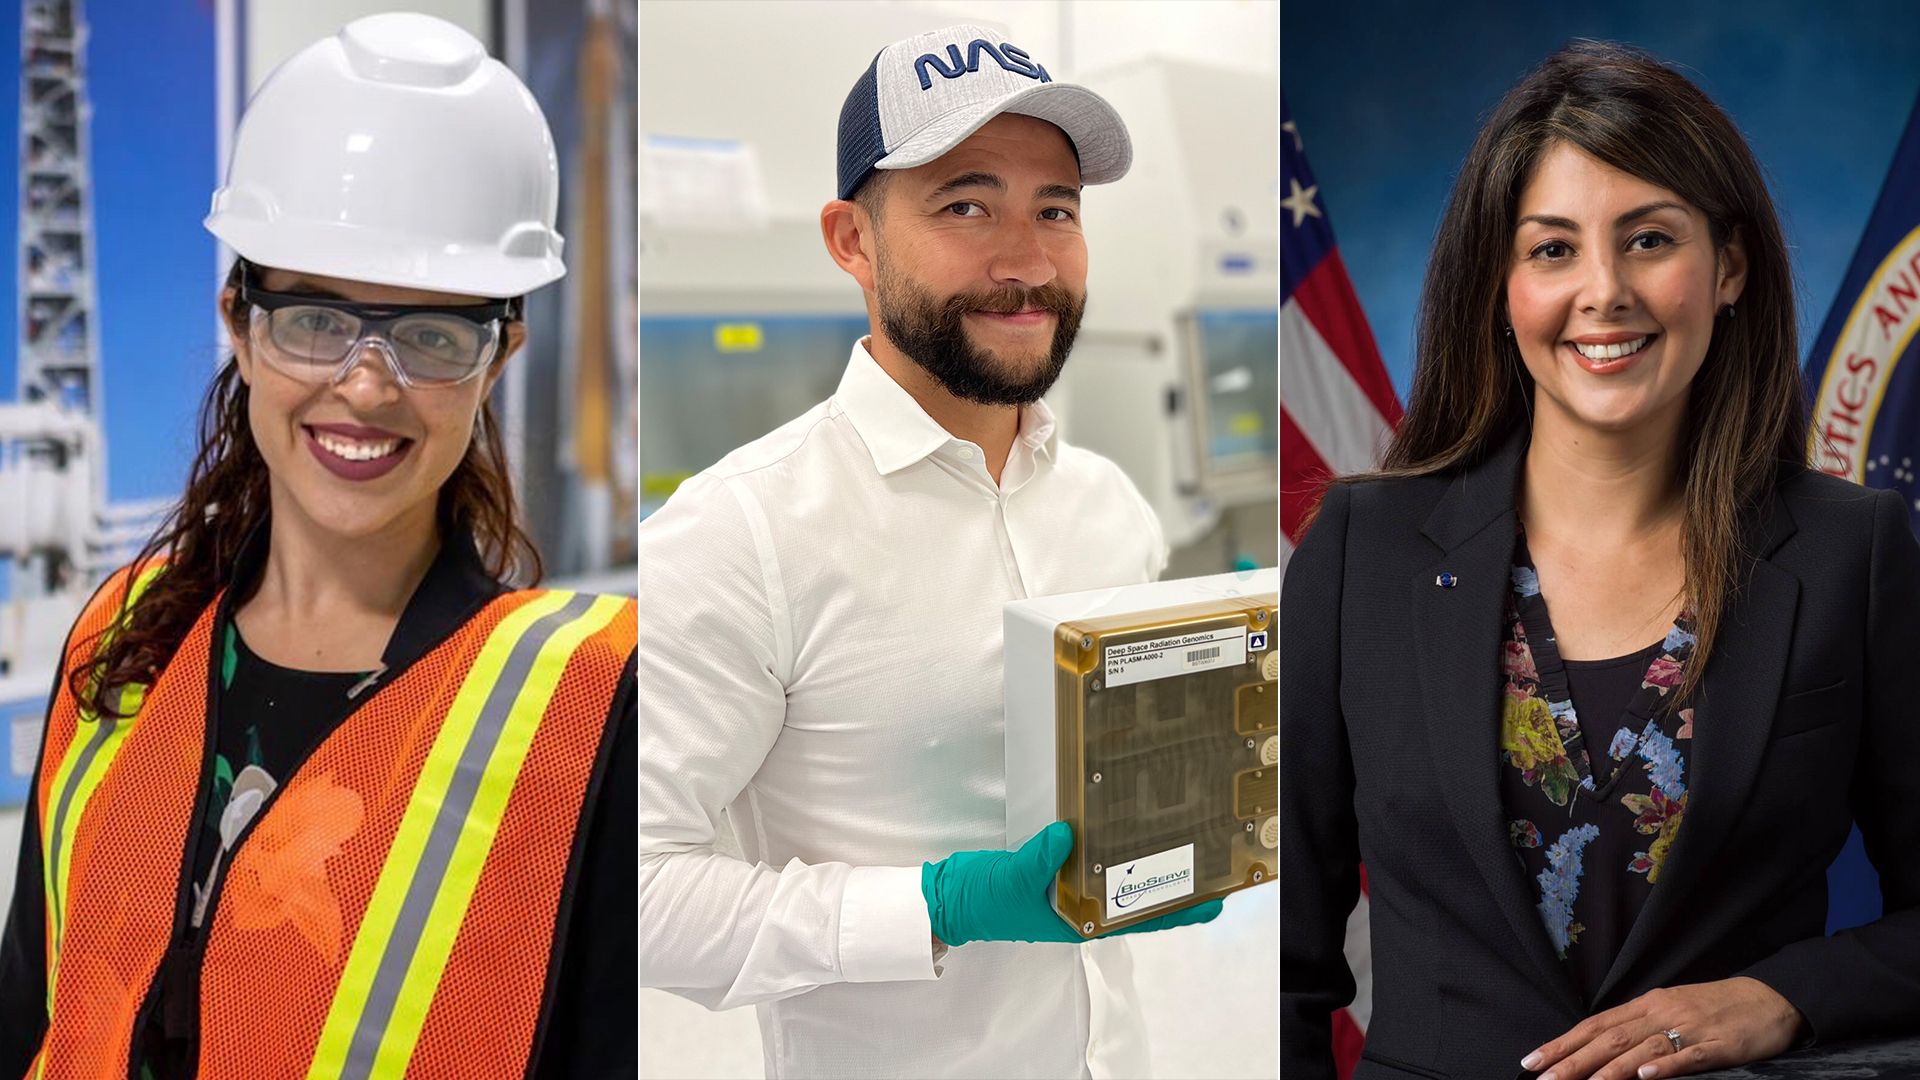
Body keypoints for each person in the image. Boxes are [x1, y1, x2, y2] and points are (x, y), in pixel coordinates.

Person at [0, 15, 635, 1078]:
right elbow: (32, 1019)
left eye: (434, 335)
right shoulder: (123, 643)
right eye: (315, 320)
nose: (367, 382)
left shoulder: (587, 704)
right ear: (240, 324)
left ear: (500, 356)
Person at [1282, 41, 1920, 1080]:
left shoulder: (1853, 552)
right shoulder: (1361, 551)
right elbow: (1280, 961)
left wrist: (1785, 997)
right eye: (1552, 250)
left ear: (1731, 268)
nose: (1604, 291)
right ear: (1500, 283)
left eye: (1650, 239)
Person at [639, 23, 1222, 1080]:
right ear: (851, 241)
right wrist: (933, 909)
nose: (1027, 259)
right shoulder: (740, 534)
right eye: (966, 204)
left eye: (1057, 209)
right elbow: (635, 895)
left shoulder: (1110, 508)